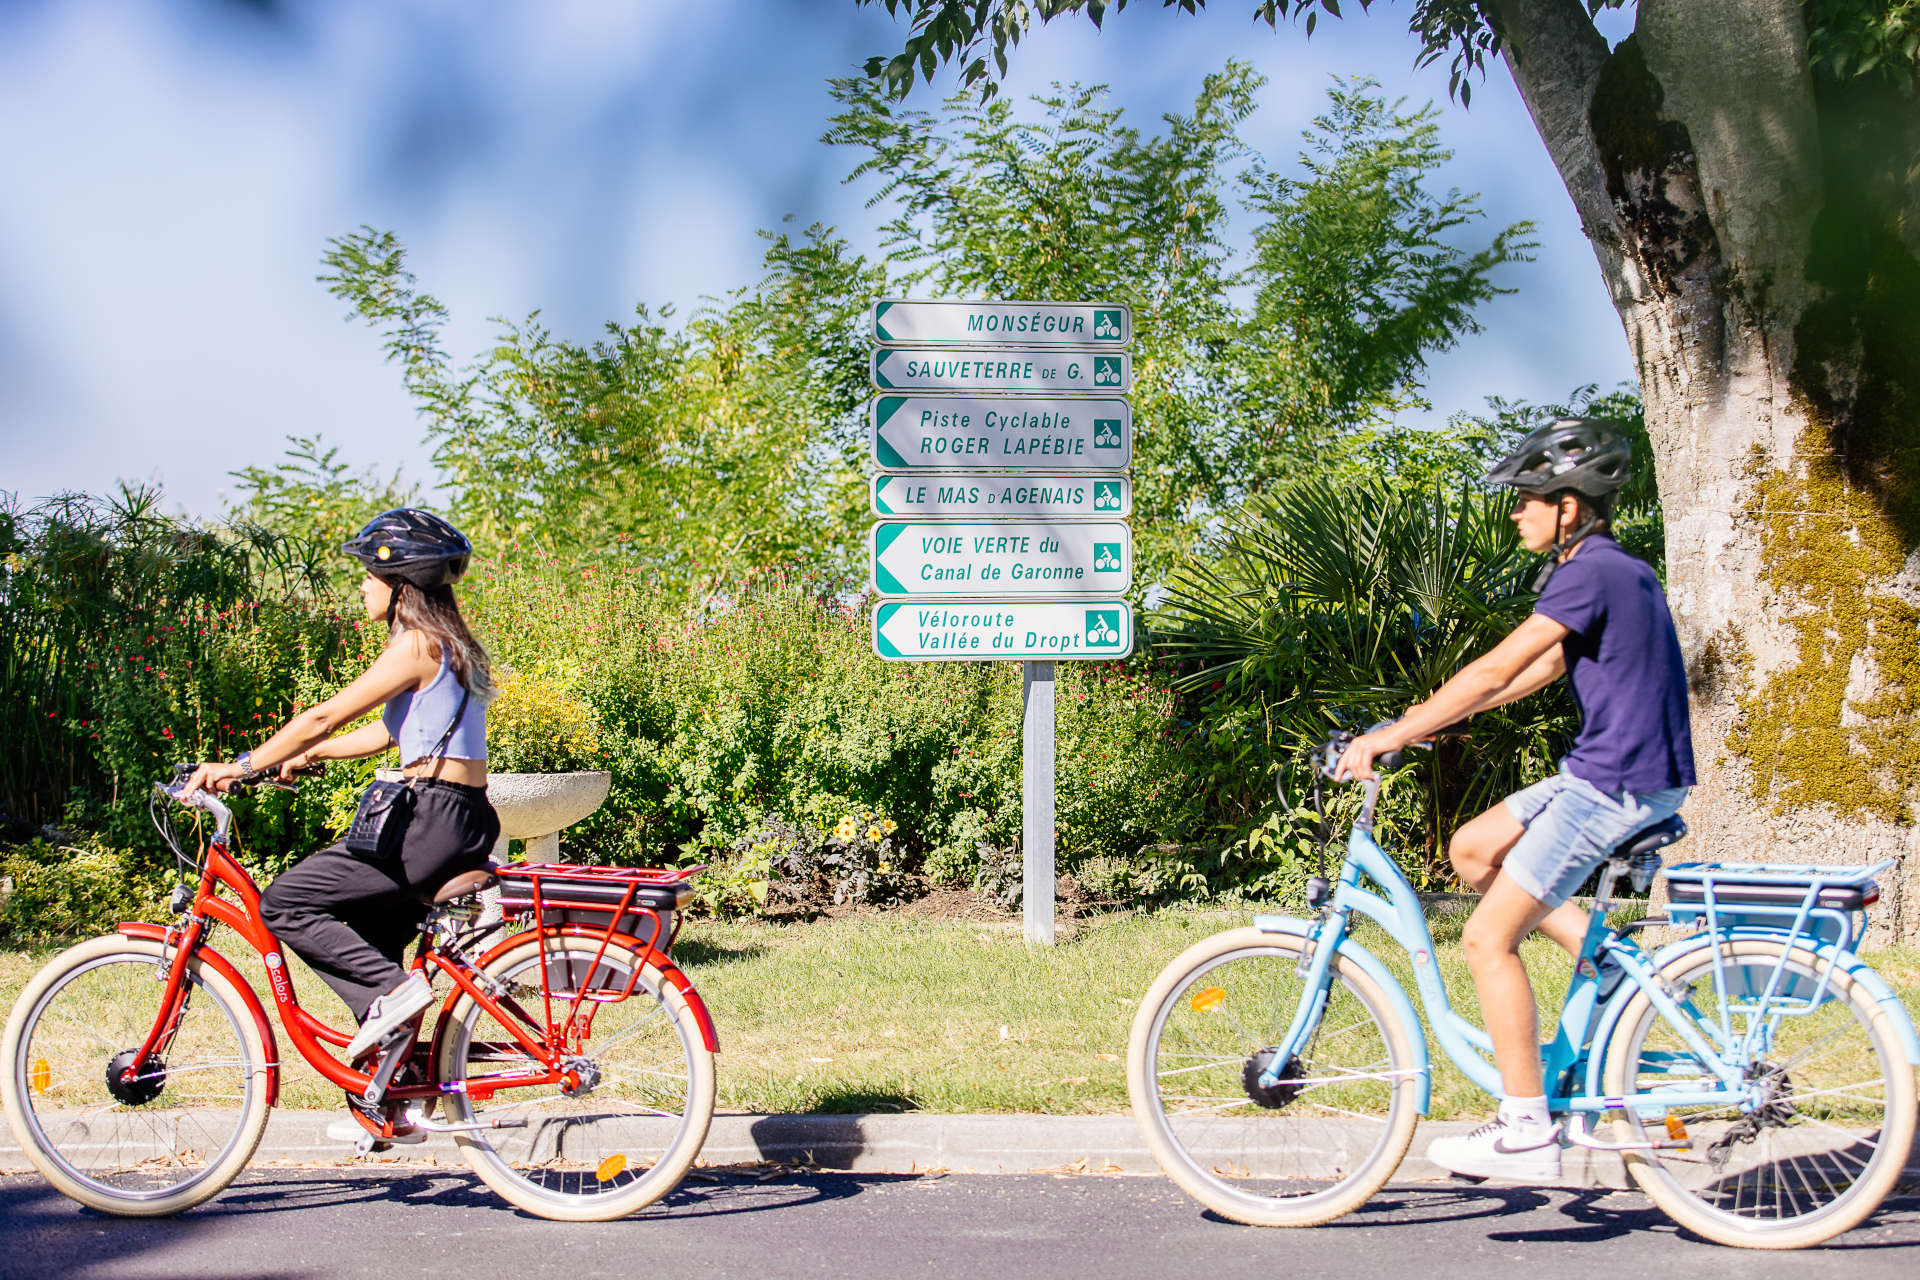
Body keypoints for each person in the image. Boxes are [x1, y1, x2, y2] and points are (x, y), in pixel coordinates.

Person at [1335, 418, 1694, 1182]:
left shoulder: (1589, 572)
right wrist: (1437, 721)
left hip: (1613, 782)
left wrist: (1394, 731)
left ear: (1571, 506)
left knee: (1486, 939)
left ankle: (1526, 1125)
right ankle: (1602, 959)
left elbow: (1497, 668)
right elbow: (1542, 669)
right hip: (1616, 771)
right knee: (1471, 849)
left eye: (1529, 497)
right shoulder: (1613, 569)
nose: (1516, 511)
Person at [179, 508, 497, 1144]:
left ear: (401, 584)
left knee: (284, 903)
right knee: (375, 934)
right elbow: (389, 733)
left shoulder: (415, 644)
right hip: (463, 817)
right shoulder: (451, 644)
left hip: (427, 819)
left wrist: (241, 766)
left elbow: (322, 715)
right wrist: (314, 756)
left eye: (369, 576)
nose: (362, 586)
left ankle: (393, 995)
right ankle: (392, 1096)